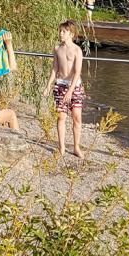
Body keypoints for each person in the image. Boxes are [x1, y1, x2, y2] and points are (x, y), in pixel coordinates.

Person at [47, 19, 86, 158]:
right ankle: (61, 147)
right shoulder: (57, 49)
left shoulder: (77, 50)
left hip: (74, 86)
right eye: (60, 31)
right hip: (60, 84)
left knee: (77, 117)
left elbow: (77, 72)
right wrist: (48, 85)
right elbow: (55, 69)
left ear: (71, 33)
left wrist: (70, 91)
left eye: (64, 31)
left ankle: (76, 147)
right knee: (61, 117)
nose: (61, 34)